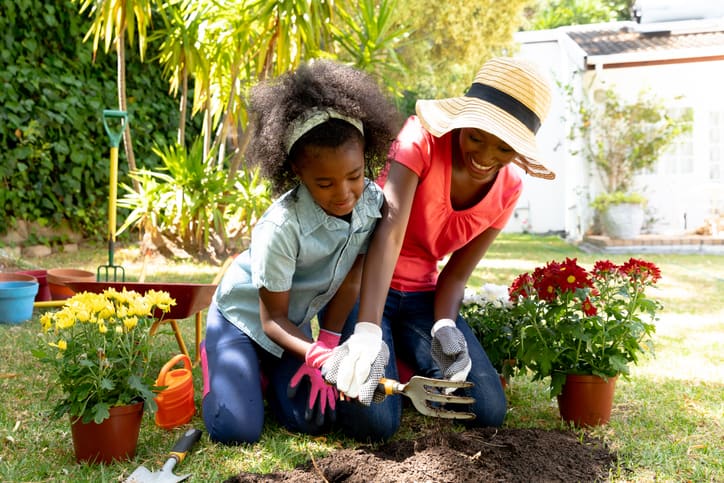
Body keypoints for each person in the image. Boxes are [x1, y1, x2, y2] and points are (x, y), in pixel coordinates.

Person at [324, 56, 555, 430]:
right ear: (463, 121)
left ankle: (400, 351)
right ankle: (379, 347)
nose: (484, 157)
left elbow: (456, 275)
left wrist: (444, 324)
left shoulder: (509, 188)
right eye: (476, 137)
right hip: (364, 284)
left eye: (504, 149)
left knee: (487, 408)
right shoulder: (422, 140)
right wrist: (367, 330)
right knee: (375, 424)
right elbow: (389, 232)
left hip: (422, 300)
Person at [201, 59, 400, 444]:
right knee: (236, 429)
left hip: (289, 329)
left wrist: (326, 340)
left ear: (366, 159)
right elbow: (271, 319)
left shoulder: (370, 203)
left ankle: (259, 375)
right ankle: (224, 365)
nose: (344, 194)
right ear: (297, 172)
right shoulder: (281, 228)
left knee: (313, 420)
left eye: (355, 176)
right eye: (324, 183)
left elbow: (351, 277)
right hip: (243, 321)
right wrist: (315, 356)